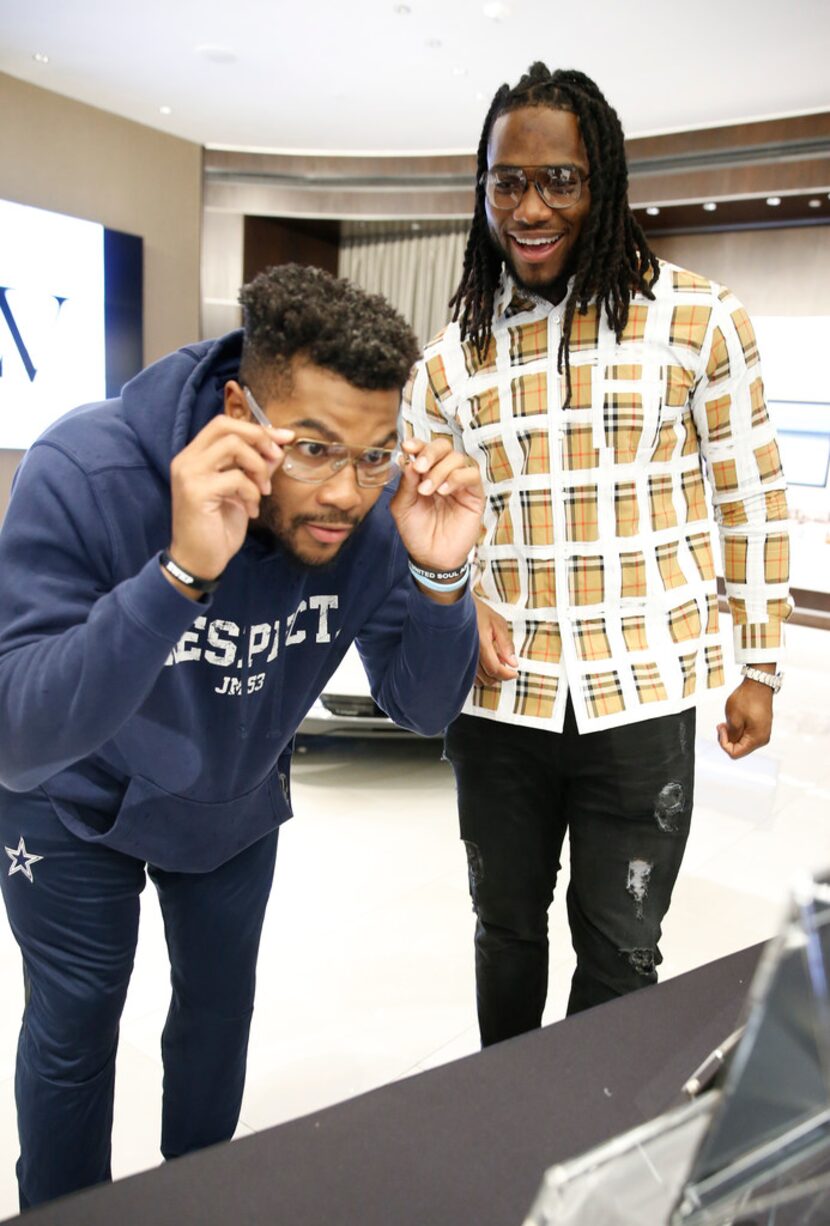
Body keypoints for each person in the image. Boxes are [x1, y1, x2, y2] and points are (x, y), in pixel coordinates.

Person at [0, 263, 484, 1208]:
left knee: (216, 1020)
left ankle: (199, 1200)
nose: (346, 491)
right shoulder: (88, 469)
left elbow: (424, 708)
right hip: (67, 804)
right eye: (313, 447)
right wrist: (178, 574)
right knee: (74, 1028)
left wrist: (440, 578)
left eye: (376, 451)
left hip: (229, 798)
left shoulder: (375, 515)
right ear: (237, 409)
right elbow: (18, 736)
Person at [402, 63, 790, 1047]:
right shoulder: (453, 356)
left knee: (621, 950)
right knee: (503, 932)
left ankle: (589, 1146)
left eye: (558, 180)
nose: (528, 207)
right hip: (497, 704)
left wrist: (757, 665)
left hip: (641, 697)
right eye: (505, 182)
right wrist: (453, 597)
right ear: (481, 189)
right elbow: (403, 525)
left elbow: (748, 497)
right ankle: (505, 1124)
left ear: (602, 183)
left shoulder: (697, 321)